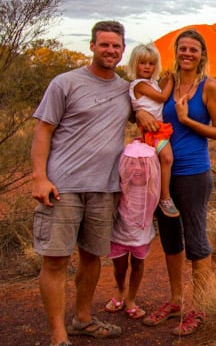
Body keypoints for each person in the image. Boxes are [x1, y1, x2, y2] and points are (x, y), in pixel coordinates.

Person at [31, 21, 130, 346]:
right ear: (92, 46)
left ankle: (83, 319)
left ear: (123, 49)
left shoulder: (125, 90)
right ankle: (58, 335)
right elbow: (43, 130)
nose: (110, 50)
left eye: (116, 46)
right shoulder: (66, 83)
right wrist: (40, 177)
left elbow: (153, 107)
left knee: (91, 257)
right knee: (57, 259)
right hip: (63, 187)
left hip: (105, 189)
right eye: (104, 44)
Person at [141, 29, 216, 336]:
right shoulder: (168, 82)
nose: (187, 53)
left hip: (193, 173)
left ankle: (200, 307)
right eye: (183, 48)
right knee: (170, 239)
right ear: (176, 52)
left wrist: (187, 119)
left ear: (202, 54)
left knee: (196, 239)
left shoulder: (210, 86)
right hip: (162, 173)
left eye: (194, 49)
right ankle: (176, 301)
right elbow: (145, 107)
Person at [102, 140, 160, 321]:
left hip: (141, 233)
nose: (137, 168)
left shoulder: (152, 188)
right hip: (120, 232)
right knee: (119, 267)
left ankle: (131, 299)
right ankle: (120, 291)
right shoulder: (120, 187)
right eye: (132, 163)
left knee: (138, 264)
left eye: (143, 164)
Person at [126, 43, 179, 217]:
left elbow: (159, 88)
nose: (147, 67)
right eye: (143, 63)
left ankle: (155, 196)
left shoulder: (150, 83)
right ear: (135, 64)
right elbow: (162, 96)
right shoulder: (138, 84)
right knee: (167, 158)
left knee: (158, 163)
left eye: (151, 63)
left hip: (157, 128)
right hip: (153, 129)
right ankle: (165, 197)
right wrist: (171, 80)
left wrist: (165, 78)